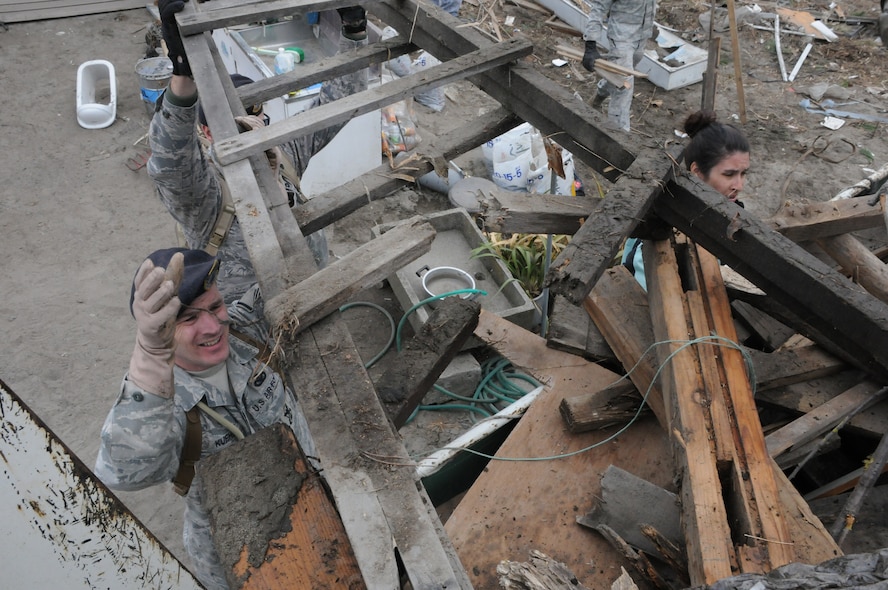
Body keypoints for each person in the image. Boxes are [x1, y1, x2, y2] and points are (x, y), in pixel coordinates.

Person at [94, 248, 316, 590]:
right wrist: (150, 360)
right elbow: (122, 472)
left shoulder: (248, 331)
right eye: (188, 319)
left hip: (314, 504)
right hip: (244, 557)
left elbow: (302, 265)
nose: (213, 327)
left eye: (215, 307)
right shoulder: (163, 402)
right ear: (162, 330)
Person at [149, 0, 369, 303]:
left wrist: (354, 32)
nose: (252, 124)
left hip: (314, 295)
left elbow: (340, 103)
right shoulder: (204, 192)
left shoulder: (283, 151)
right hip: (253, 330)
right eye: (233, 124)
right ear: (207, 133)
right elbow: (169, 166)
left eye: (258, 114)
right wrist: (183, 76)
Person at [622, 110, 750, 289]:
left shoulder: (735, 214)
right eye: (729, 174)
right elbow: (641, 288)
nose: (739, 185)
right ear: (697, 173)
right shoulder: (662, 224)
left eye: (743, 174)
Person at [581, 0, 657, 132]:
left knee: (616, 78)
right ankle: (619, 134)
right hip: (621, 38)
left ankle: (600, 94)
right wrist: (590, 44)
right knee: (623, 87)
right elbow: (598, 7)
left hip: (642, 36)